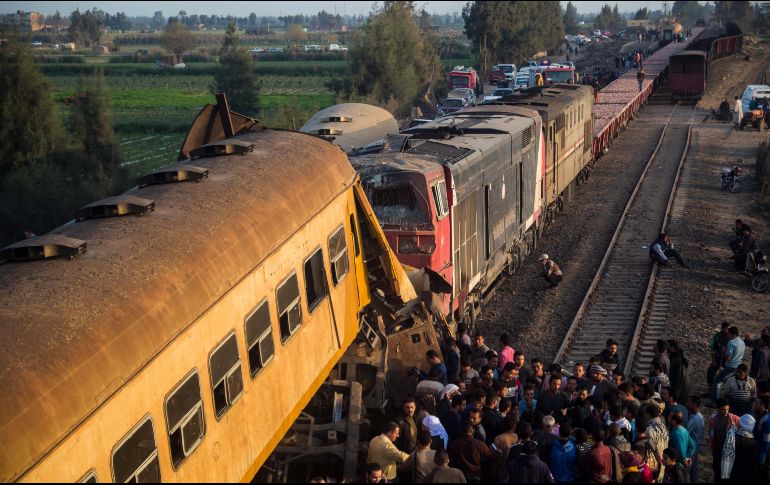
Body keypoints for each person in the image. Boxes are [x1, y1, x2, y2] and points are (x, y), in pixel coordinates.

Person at [709, 397, 741, 480]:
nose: (726, 411)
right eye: (723, 409)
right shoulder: (712, 419)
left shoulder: (735, 419)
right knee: (717, 471)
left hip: (729, 452)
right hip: (718, 450)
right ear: (717, 408)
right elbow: (711, 434)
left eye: (727, 409)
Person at [713, 326, 746, 402]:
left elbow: (728, 358)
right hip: (738, 366)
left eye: (729, 334)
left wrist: (724, 351)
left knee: (717, 382)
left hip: (730, 366)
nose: (727, 336)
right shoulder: (742, 342)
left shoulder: (731, 342)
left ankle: (716, 401)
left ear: (733, 334)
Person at [685, 396, 705, 483]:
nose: (687, 404)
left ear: (695, 404)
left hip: (692, 448)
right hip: (696, 446)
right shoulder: (699, 416)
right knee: (694, 468)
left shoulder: (695, 418)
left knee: (687, 468)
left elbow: (686, 432)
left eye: (689, 402)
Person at [666, 340, 690, 405]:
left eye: (668, 346)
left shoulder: (677, 359)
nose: (666, 347)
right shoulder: (676, 357)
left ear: (672, 347)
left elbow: (680, 376)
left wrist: (676, 393)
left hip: (679, 388)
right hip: (679, 386)